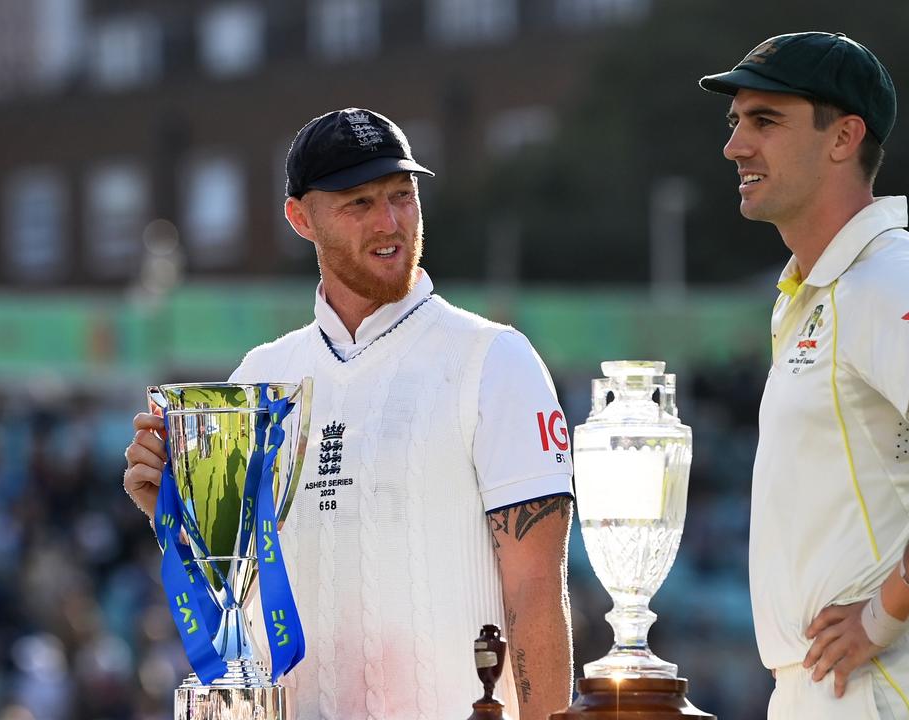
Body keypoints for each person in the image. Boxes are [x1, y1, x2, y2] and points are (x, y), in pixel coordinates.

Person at [123, 108, 574, 720]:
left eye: (402, 196)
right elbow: (234, 595)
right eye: (358, 203)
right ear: (300, 219)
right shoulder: (258, 378)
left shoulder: (495, 360)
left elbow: (537, 590)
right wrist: (173, 515)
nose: (390, 223)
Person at [699, 33, 909, 718]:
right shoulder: (825, 288)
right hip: (845, 683)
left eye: (765, 120)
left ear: (843, 138)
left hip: (891, 682)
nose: (735, 145)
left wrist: (885, 615)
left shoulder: (879, 276)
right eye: (735, 120)